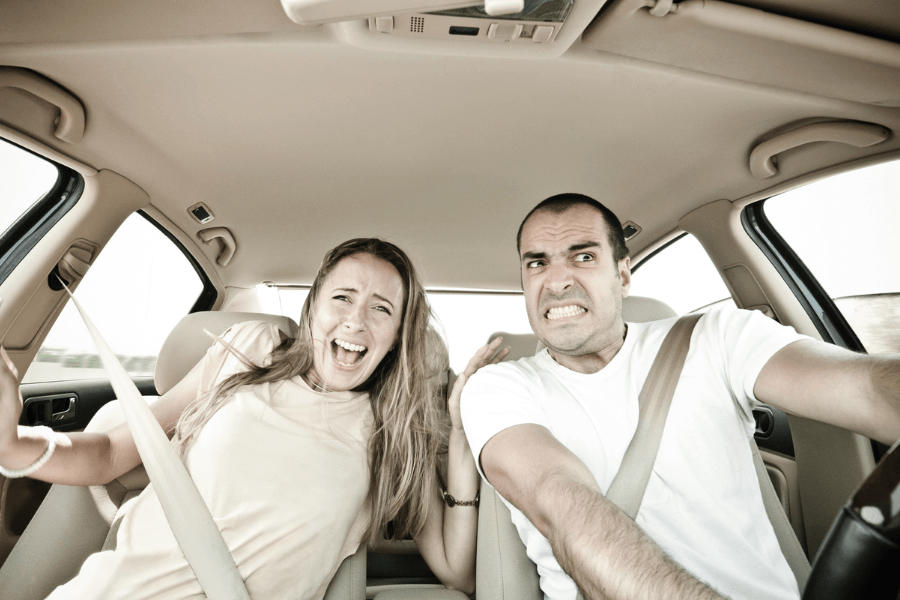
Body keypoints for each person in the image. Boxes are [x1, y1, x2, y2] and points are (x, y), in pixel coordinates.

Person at [0, 237, 507, 600]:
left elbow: (456, 571)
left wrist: (459, 435)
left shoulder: (394, 430)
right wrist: (13, 446)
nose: (356, 319)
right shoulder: (250, 349)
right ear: (312, 311)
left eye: (381, 309)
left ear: (397, 335)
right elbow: (112, 452)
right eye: (343, 298)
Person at [460, 194, 900, 600]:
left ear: (624, 274)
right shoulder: (498, 388)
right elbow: (561, 503)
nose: (555, 282)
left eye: (584, 256)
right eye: (536, 264)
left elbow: (864, 387)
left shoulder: (718, 336)